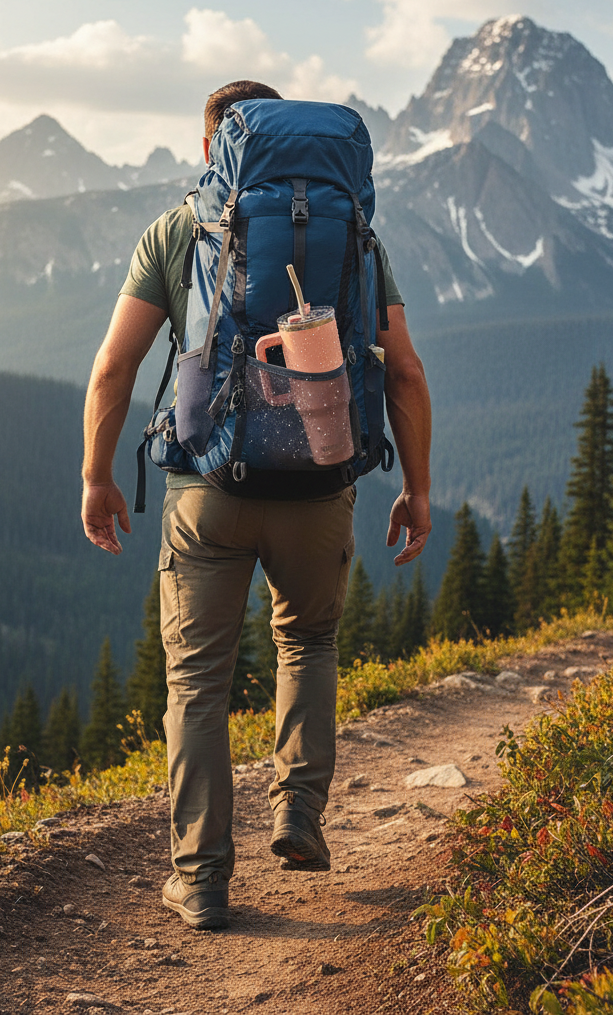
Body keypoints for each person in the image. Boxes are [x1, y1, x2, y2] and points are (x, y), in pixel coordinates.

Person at [81, 80, 432, 930]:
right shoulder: (354, 233)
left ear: (217, 149)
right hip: (321, 486)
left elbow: (115, 369)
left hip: (210, 489)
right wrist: (419, 491)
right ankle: (298, 815)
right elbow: (407, 372)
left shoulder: (179, 230)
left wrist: (97, 476)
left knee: (197, 682)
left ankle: (200, 879)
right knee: (308, 640)